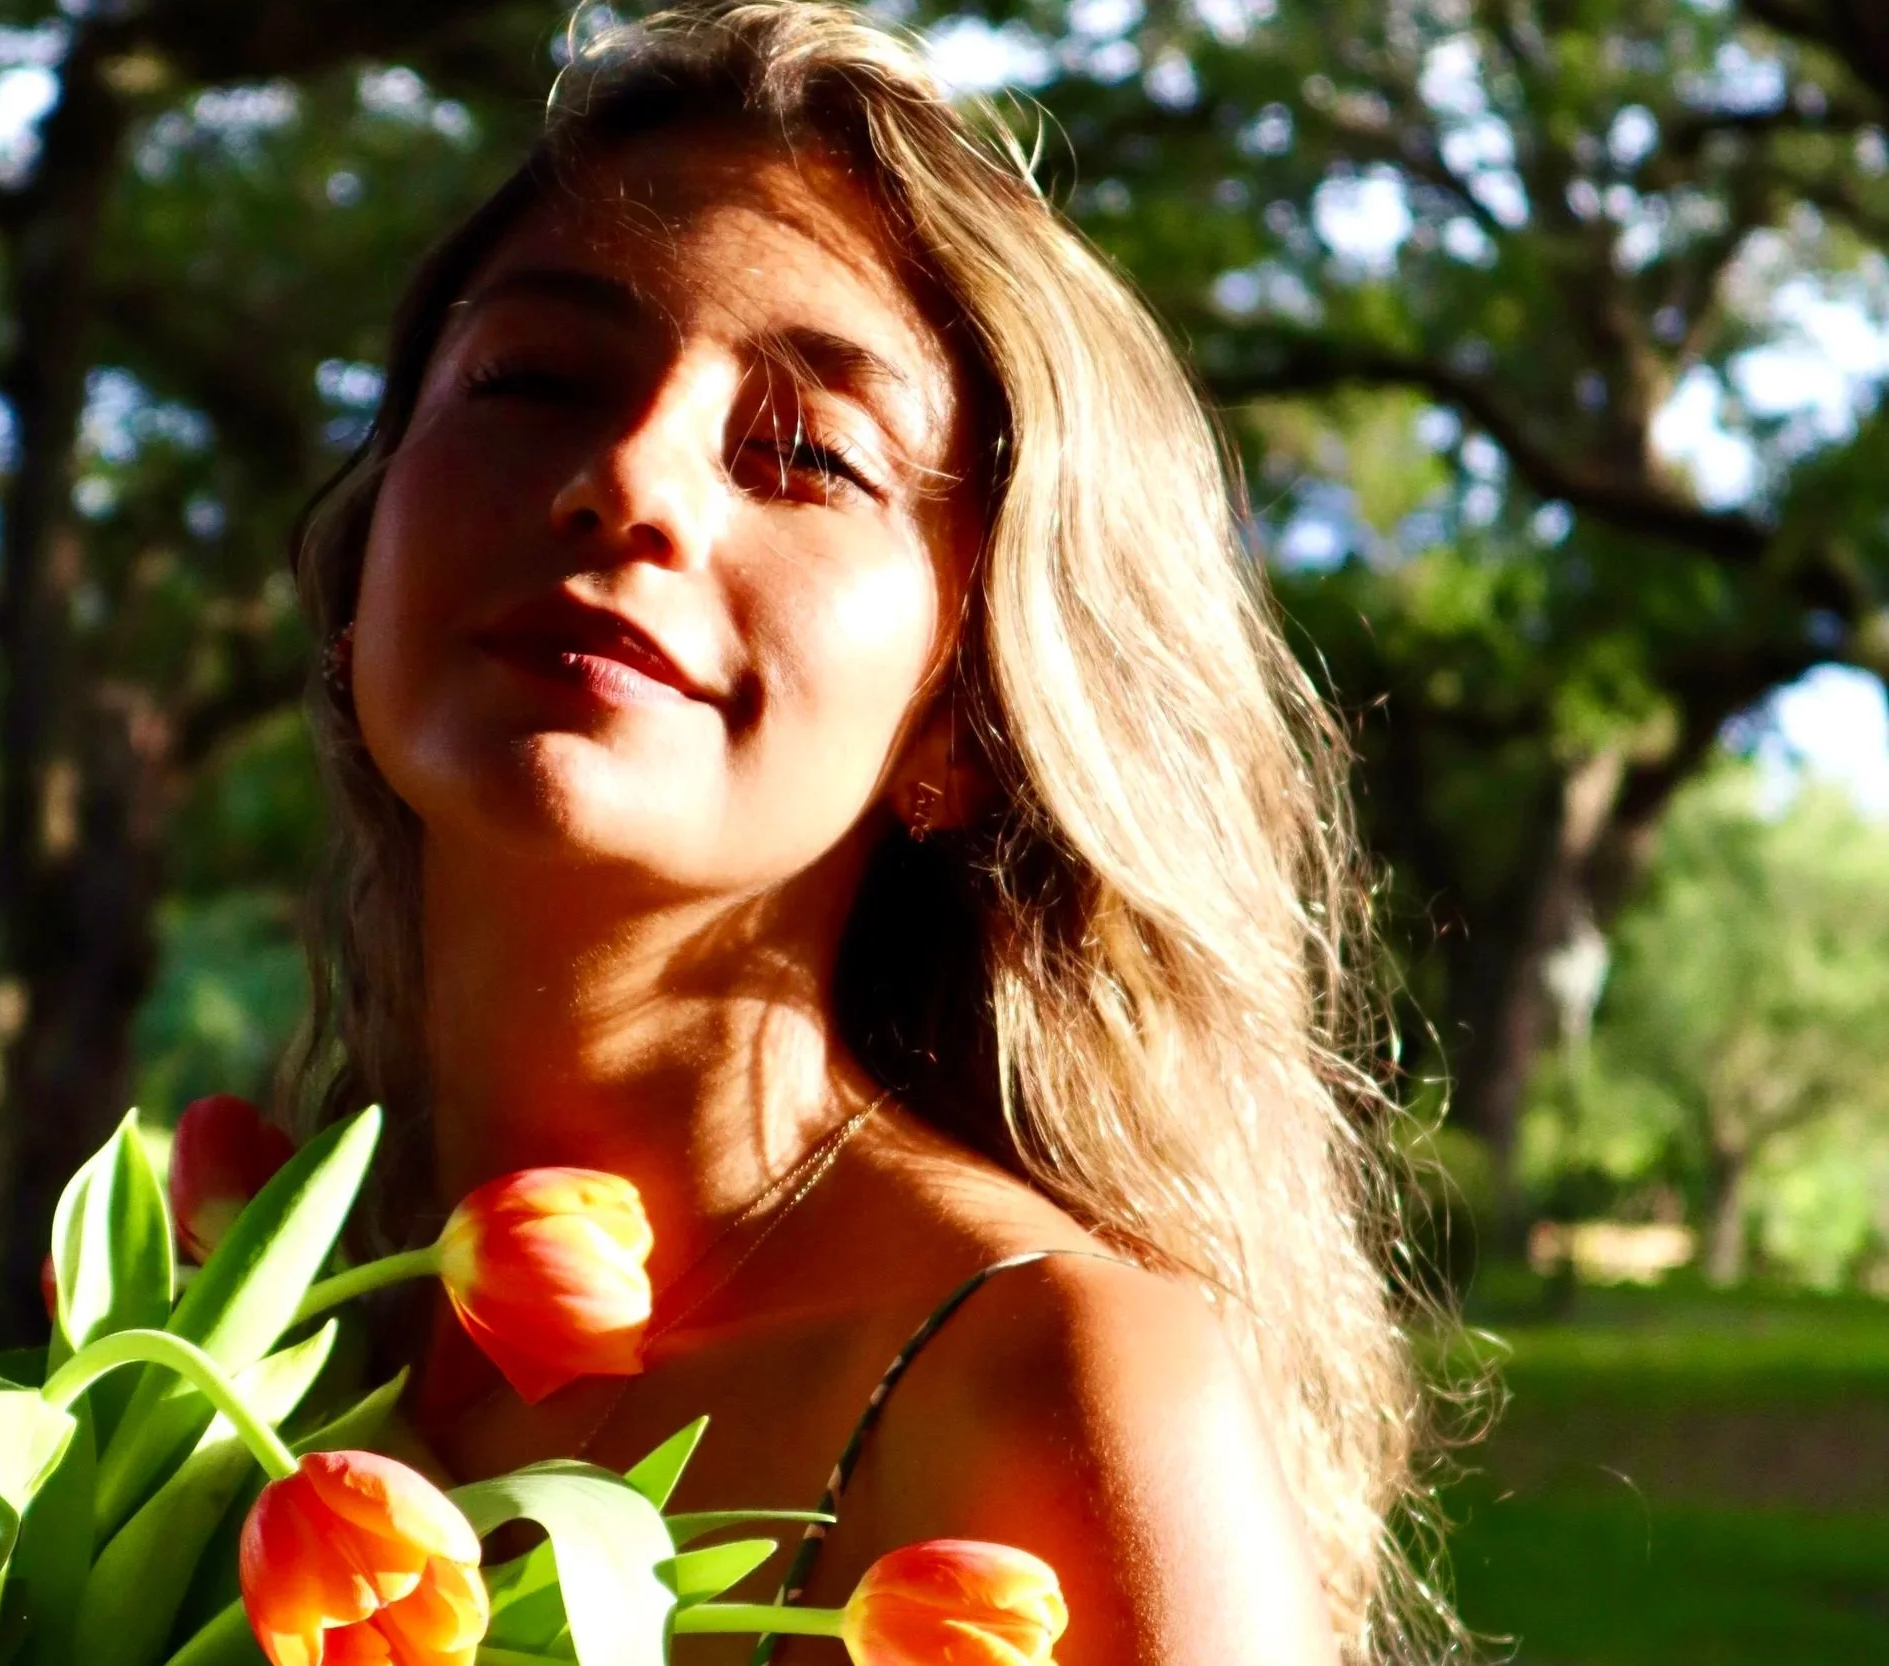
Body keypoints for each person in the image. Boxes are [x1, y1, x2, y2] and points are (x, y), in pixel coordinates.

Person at [283, 6, 1454, 1664]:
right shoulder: (230, 1328)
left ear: (959, 731)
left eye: (811, 454)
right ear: (357, 580)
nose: (630, 479)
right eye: (538, 378)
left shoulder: (1053, 1374)